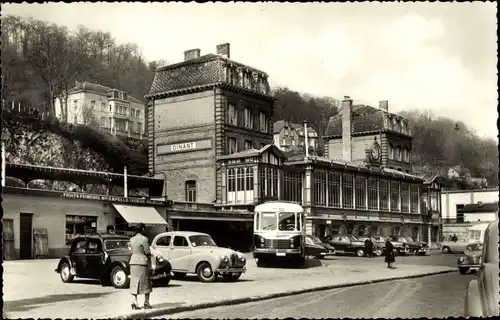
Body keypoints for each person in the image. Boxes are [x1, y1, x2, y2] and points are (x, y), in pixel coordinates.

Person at [129, 223, 153, 310]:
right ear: (143, 229)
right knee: (146, 282)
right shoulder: (144, 239)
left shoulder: (131, 239)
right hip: (142, 262)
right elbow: (147, 252)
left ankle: (134, 302)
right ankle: (146, 302)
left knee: (134, 281)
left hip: (133, 262)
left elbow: (132, 250)